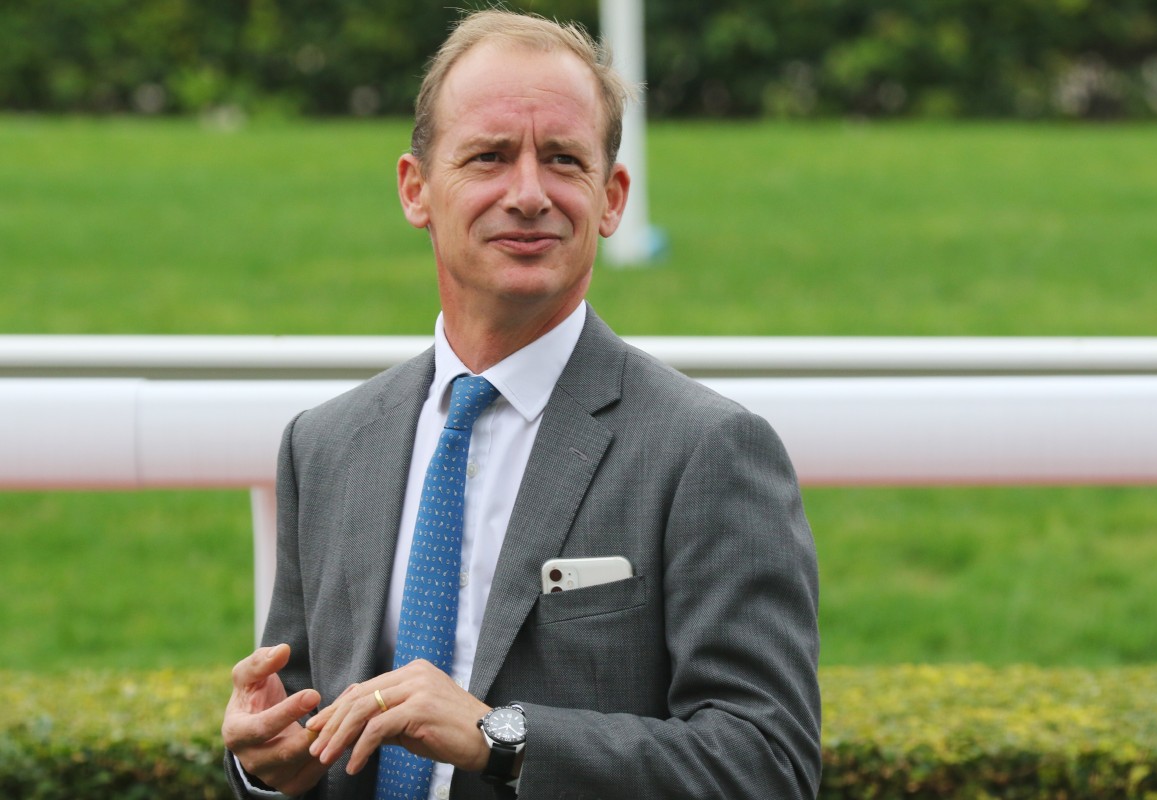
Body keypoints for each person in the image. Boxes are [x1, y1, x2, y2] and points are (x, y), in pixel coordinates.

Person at [221, 9, 820, 800]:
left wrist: (499, 738)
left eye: (564, 160)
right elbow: (296, 739)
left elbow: (767, 765)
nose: (529, 193)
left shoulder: (707, 450)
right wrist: (263, 766)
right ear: (416, 190)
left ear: (610, 199)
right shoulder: (326, 447)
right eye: (490, 157)